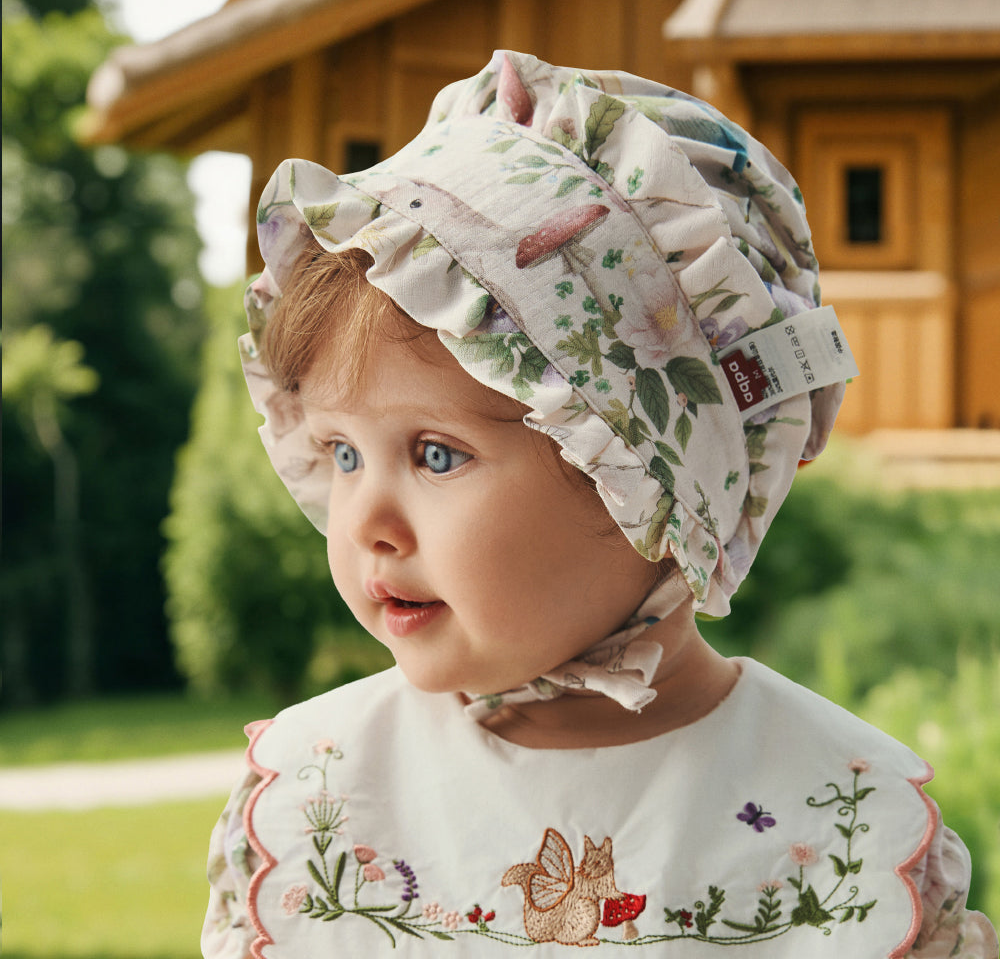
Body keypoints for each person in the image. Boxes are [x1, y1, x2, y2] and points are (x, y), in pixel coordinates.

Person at [201, 51, 997, 958]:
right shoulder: (320, 802)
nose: (364, 520)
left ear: (652, 479)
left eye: (434, 454)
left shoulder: (838, 828)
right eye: (343, 452)